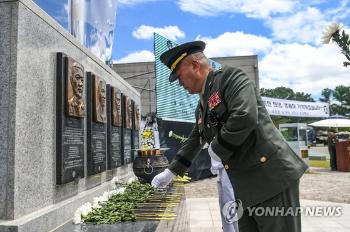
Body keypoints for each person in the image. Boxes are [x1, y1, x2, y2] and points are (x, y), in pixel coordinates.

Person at [151, 41, 308, 232]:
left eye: (179, 76)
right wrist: (171, 172)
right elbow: (195, 139)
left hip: (270, 178)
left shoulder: (231, 78)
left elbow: (245, 116)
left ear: (195, 66)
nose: (179, 83)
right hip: (244, 184)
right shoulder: (202, 106)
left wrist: (217, 148)